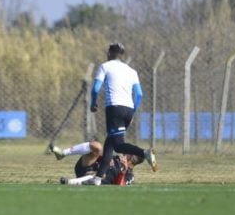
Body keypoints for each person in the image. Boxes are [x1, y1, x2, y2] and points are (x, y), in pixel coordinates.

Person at [90, 42, 157, 179]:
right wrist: (132, 112)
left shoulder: (105, 66)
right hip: (128, 109)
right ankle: (98, 178)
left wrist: (93, 103)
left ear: (109, 53)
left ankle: (144, 153)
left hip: (114, 108)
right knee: (110, 141)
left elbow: (96, 88)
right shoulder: (132, 71)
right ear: (121, 55)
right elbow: (139, 94)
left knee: (118, 146)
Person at [50, 139, 143, 185]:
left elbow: (119, 185)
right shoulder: (117, 158)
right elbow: (101, 157)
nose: (126, 152)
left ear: (133, 159)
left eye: (130, 152)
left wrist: (123, 171)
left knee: (101, 174)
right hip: (86, 166)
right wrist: (106, 159)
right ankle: (63, 153)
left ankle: (72, 181)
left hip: (93, 179)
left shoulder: (130, 175)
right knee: (97, 146)